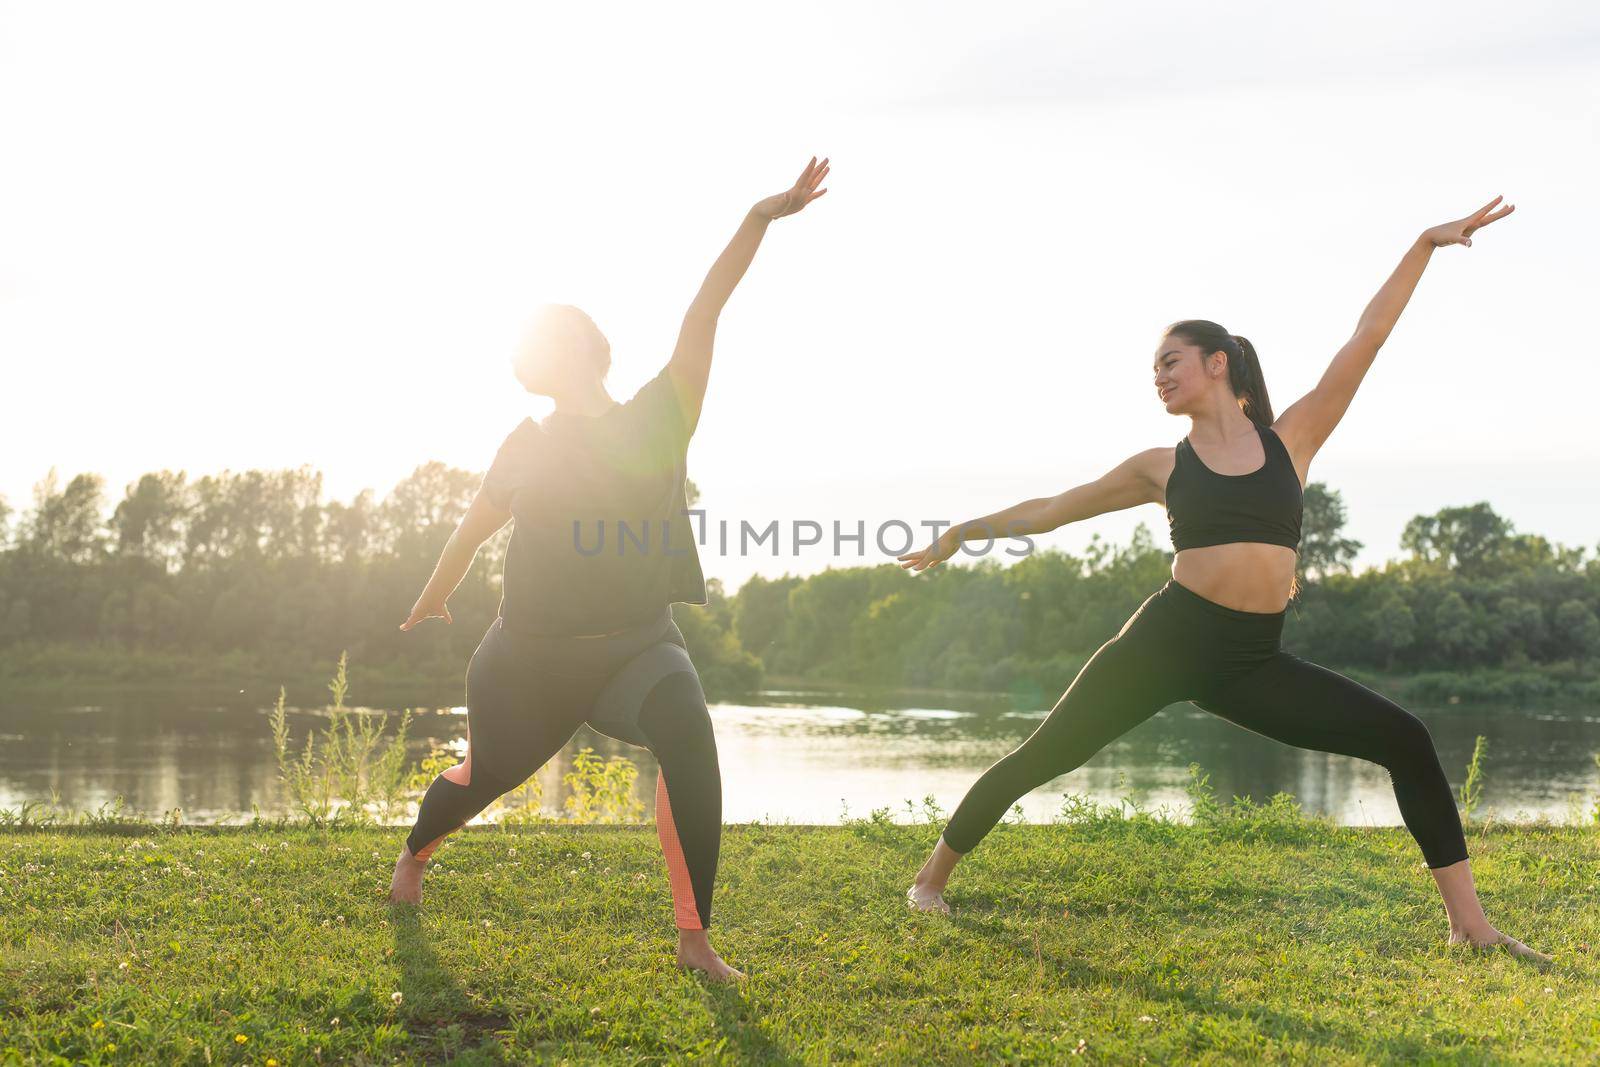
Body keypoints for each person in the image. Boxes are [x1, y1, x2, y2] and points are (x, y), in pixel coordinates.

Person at [899, 196, 1549, 963]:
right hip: (1167, 641)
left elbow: (1366, 338)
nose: (1158, 378)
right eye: (1153, 370)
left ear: (1218, 363)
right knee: (1046, 753)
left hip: (1252, 660)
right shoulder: (1160, 465)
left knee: (1405, 737)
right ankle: (928, 880)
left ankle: (1470, 926)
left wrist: (1423, 244)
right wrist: (962, 532)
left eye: (1168, 362)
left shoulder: (1293, 440)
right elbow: (1055, 508)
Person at [388, 157, 830, 981]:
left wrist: (757, 219)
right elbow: (471, 530)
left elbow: (704, 311)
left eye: (549, 337)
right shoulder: (526, 445)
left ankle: (694, 939)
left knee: (690, 735)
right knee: (485, 777)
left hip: (636, 646)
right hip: (529, 658)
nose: (535, 352)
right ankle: (414, 855)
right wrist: (431, 599)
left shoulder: (661, 414)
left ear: (588, 349)